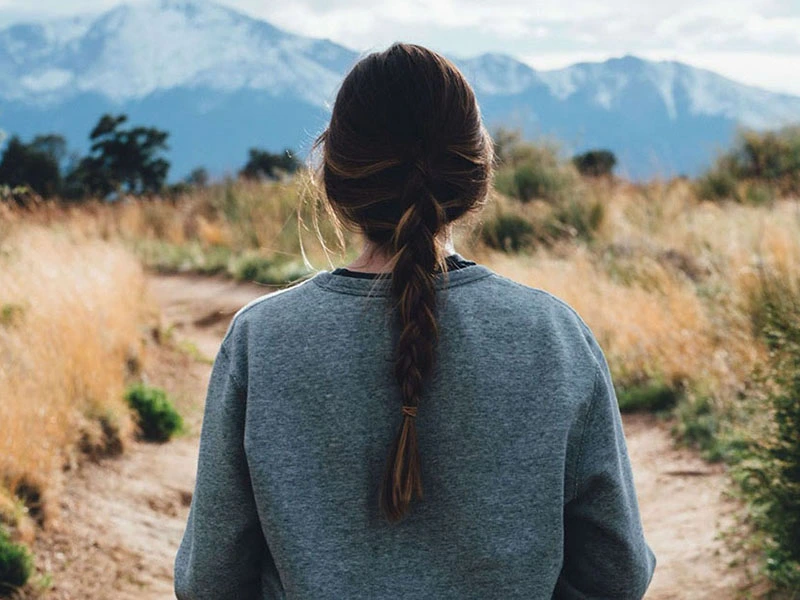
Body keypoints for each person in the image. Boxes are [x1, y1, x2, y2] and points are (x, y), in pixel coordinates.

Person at [173, 42, 657, 599]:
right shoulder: (553, 336)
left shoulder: (262, 342)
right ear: (476, 176)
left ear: (335, 178)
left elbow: (210, 581)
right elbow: (617, 572)